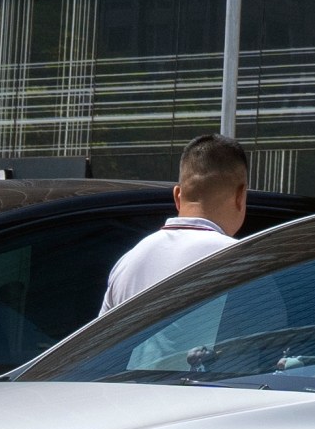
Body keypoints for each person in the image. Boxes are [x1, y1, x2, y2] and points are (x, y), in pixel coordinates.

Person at [100, 134, 250, 313]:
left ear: (177, 196)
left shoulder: (127, 264)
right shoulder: (243, 260)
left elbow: (103, 339)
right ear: (240, 196)